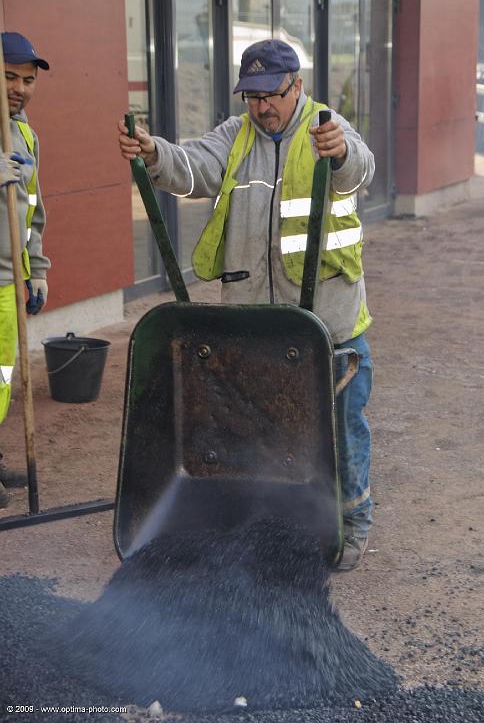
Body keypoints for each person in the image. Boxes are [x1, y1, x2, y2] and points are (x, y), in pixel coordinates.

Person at [118, 39, 375, 570]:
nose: (261, 107)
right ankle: (275, 522)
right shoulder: (236, 137)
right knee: (261, 430)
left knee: (341, 430)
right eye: (251, 96)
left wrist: (342, 150)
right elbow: (191, 166)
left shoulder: (327, 129)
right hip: (259, 323)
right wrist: (154, 153)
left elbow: (358, 168)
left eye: (271, 94)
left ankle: (352, 524)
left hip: (326, 322)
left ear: (296, 86)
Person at [0, 31, 51, 508]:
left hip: (8, 281)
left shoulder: (26, 134)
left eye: (28, 80)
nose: (20, 88)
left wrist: (36, 270)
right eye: (10, 76)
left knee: (0, 378)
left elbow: (33, 210)